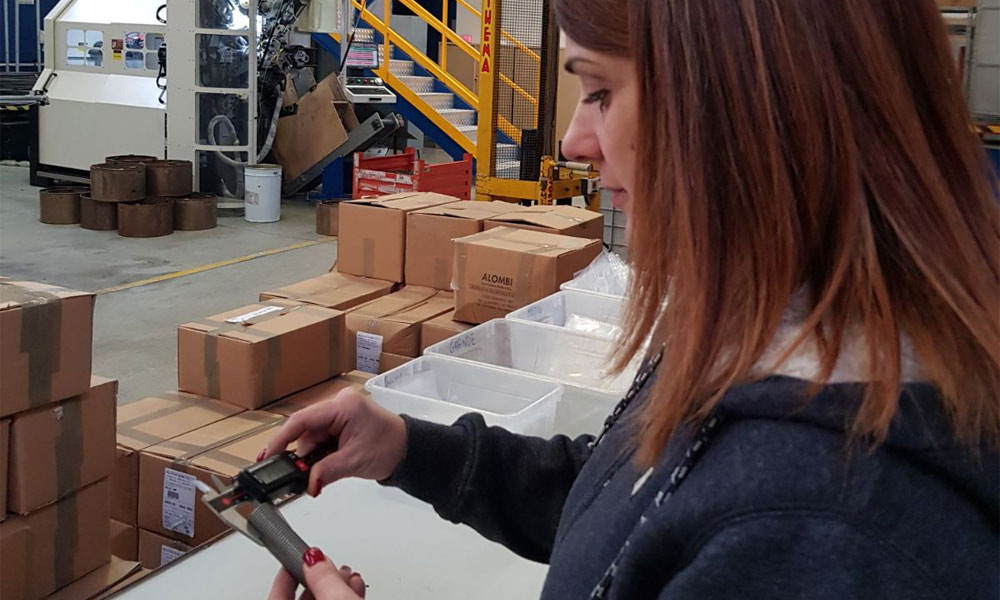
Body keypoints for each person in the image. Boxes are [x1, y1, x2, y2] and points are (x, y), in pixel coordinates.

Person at [266, 0, 1000, 598]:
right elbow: (636, 502)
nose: (572, 140)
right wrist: (407, 448)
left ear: (746, 104)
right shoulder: (768, 329)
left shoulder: (817, 538)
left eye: (599, 92)